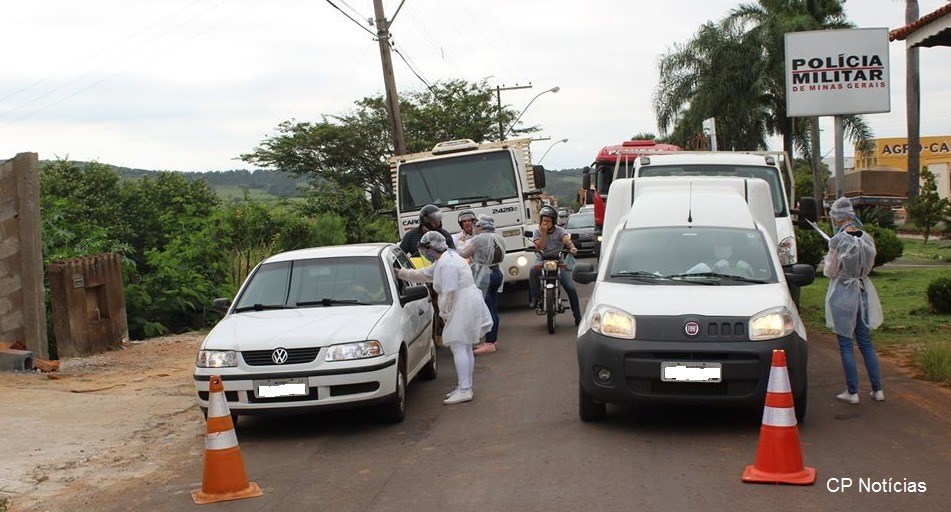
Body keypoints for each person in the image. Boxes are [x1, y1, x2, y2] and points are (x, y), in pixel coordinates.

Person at [395, 231, 493, 405]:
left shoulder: (447, 263)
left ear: (431, 247)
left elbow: (449, 293)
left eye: (425, 249)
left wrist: (445, 314)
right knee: (465, 346)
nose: (425, 253)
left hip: (461, 304)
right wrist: (401, 273)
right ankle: (465, 386)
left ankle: (464, 389)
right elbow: (426, 274)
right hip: (465, 302)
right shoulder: (447, 257)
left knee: (458, 345)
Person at [823, 197, 884, 405]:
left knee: (846, 343)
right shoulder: (866, 238)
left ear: (837, 217)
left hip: (843, 293)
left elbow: (830, 271)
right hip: (863, 291)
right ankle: (877, 389)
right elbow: (869, 265)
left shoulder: (837, 240)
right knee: (865, 343)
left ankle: (853, 391)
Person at [458, 214, 505, 354]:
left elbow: (463, 254)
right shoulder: (498, 237)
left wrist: (460, 243)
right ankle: (492, 340)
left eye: (477, 225)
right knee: (493, 307)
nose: (475, 228)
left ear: (481, 226)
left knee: (487, 308)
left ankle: (490, 343)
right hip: (497, 272)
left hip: (485, 276)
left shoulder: (478, 239)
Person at [529, 205, 582, 326]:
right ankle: (535, 298)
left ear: (553, 221)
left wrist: (572, 247)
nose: (545, 223)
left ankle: (578, 316)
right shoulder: (537, 231)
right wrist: (543, 234)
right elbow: (538, 247)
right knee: (532, 270)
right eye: (543, 221)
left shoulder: (560, 231)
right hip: (542, 261)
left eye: (548, 221)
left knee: (571, 288)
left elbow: (566, 240)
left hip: (558, 262)